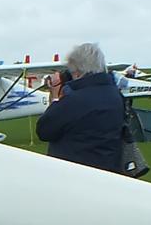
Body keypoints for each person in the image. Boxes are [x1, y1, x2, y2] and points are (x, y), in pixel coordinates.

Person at [35, 42, 124, 172]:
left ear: (77, 72)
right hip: (109, 167)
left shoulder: (75, 100)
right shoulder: (115, 94)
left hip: (76, 171)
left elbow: (44, 130)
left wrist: (55, 96)